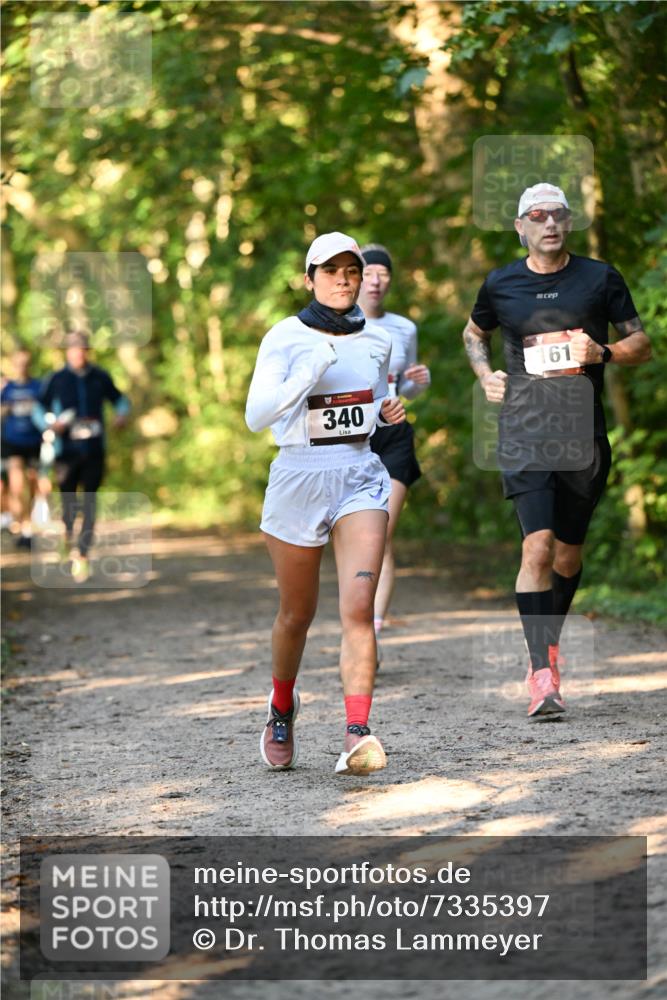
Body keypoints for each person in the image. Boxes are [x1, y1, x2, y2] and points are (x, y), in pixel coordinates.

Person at [462, 182, 651, 718]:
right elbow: (472, 334)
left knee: (568, 555)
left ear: (569, 223)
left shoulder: (599, 277)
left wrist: (605, 350)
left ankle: (548, 643)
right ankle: (541, 674)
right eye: (537, 215)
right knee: (536, 549)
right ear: (520, 226)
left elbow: (642, 344)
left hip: (582, 437)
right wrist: (485, 374)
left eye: (558, 215)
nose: (549, 223)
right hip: (523, 432)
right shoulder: (501, 284)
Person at [246, 231, 406, 775]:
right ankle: (282, 706)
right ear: (310, 277)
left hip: (359, 473)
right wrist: (307, 373)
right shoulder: (284, 337)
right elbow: (256, 415)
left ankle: (358, 733)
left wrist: (388, 411)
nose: (343, 279)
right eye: (331, 270)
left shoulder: (378, 339)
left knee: (358, 609)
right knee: (297, 615)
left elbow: (374, 397)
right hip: (298, 475)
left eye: (352, 270)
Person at [358, 244, 430, 638]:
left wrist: (417, 384)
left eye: (383, 273)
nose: (376, 279)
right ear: (355, 278)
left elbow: (401, 387)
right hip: (354, 436)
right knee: (359, 537)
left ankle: (372, 628)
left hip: (394, 433)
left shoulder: (405, 328)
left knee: (381, 532)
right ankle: (357, 624)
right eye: (369, 272)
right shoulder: (338, 325)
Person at [33, 331, 130, 583]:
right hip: (65, 452)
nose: (79, 353)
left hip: (94, 449)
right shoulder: (57, 378)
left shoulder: (100, 376)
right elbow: (38, 407)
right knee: (69, 502)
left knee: (89, 501)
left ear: (88, 351)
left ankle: (83, 555)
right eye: (75, 349)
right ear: (67, 351)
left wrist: (121, 415)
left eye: (84, 349)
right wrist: (50, 424)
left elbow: (120, 401)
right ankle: (67, 534)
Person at [0, 347, 46, 548]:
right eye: (18, 364)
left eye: (25, 364)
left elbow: (48, 412)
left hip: (35, 442)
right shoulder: (8, 390)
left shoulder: (38, 387)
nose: (22, 368)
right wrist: (6, 409)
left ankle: (27, 526)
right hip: (13, 441)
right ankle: (19, 523)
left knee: (33, 483)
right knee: (16, 483)